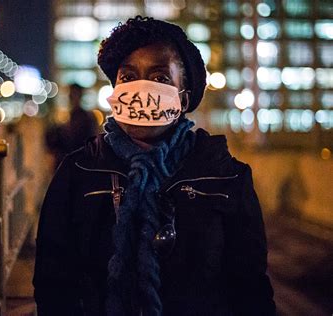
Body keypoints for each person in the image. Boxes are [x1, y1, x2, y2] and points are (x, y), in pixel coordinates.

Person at [33, 16, 275, 315]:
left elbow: (250, 290)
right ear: (114, 92)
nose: (141, 90)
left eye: (160, 78)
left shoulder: (226, 177)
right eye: (128, 77)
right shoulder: (79, 172)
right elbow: (54, 284)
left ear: (184, 98)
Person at [45, 83, 98, 169]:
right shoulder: (67, 116)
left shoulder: (85, 118)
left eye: (73, 94)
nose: (71, 97)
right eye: (71, 94)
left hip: (78, 165)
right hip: (71, 164)